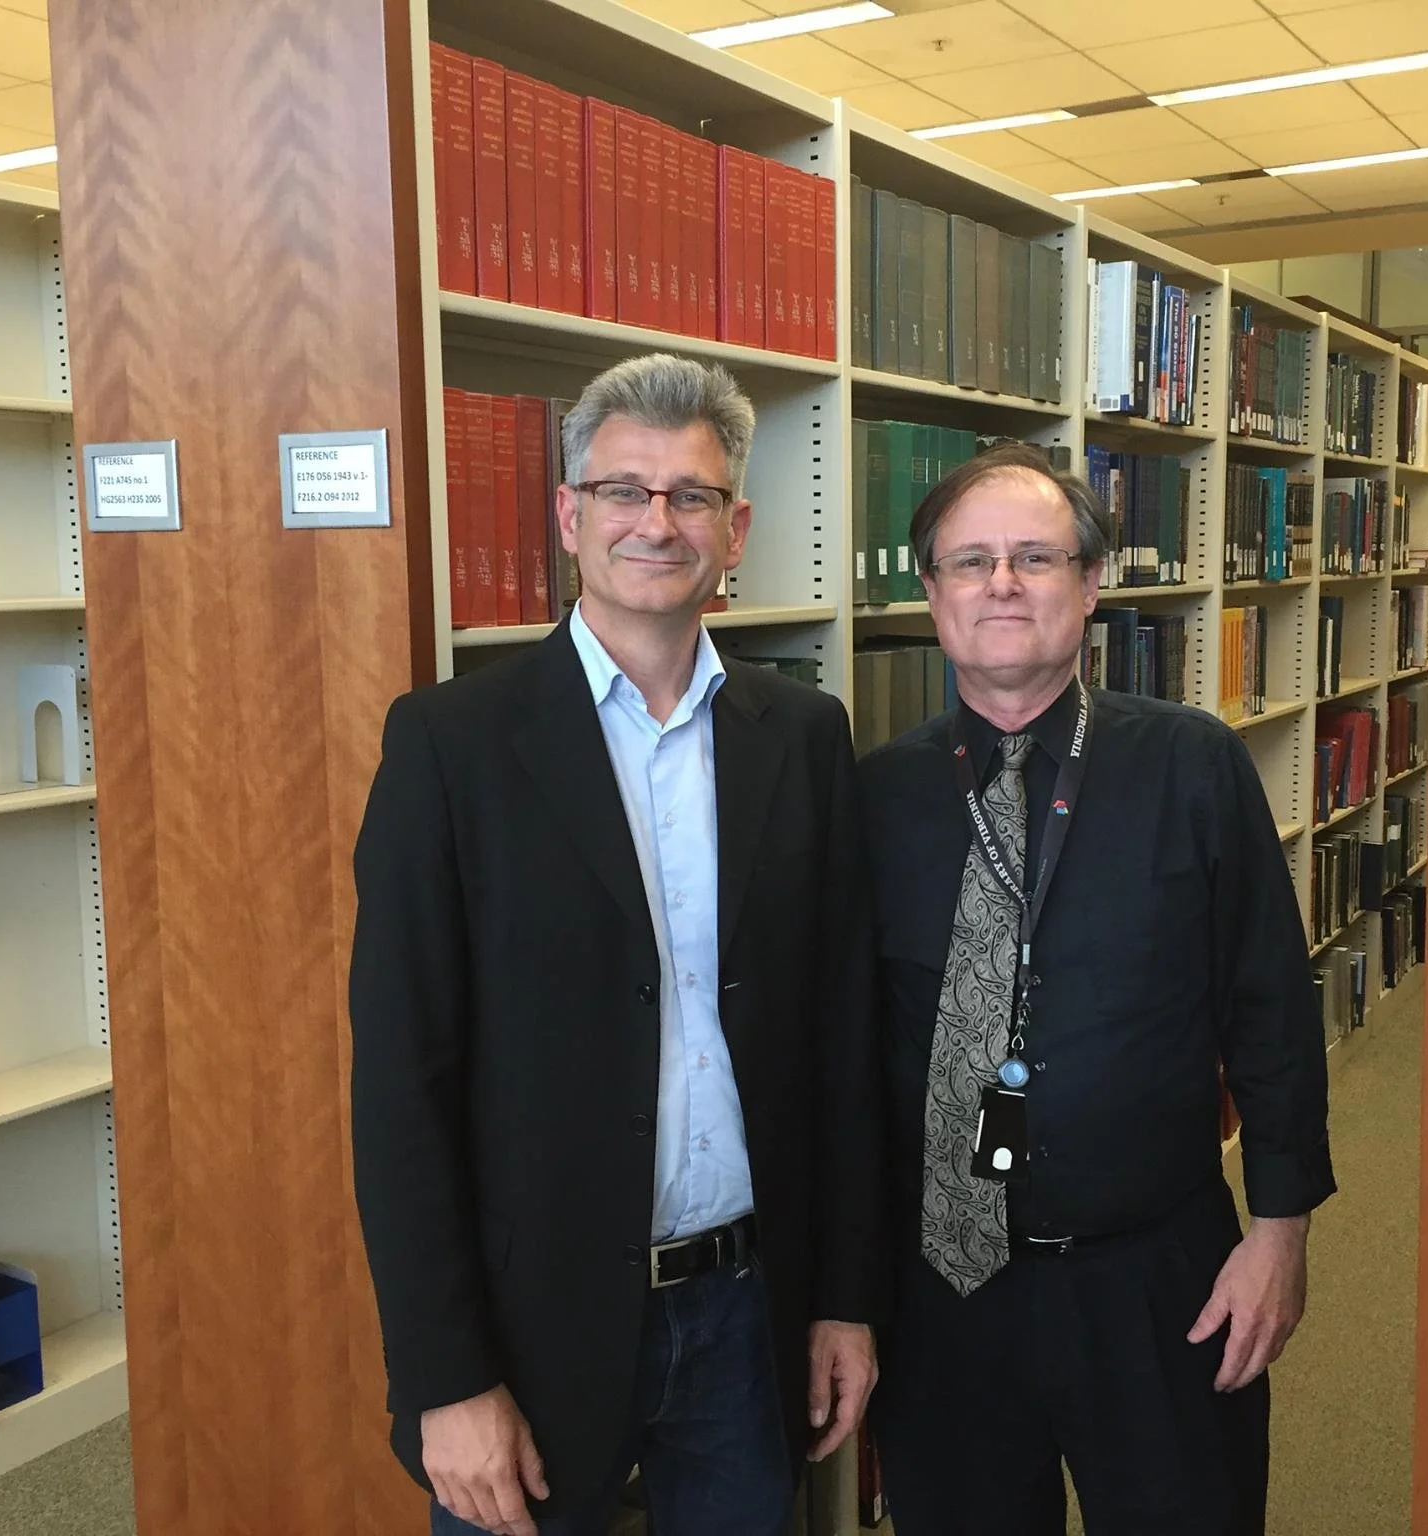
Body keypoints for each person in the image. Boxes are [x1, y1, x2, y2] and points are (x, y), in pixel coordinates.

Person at [349, 353, 885, 1536]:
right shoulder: (452, 747)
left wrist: (843, 1300)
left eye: (690, 496)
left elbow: (840, 1046)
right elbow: (401, 1091)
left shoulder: (798, 738)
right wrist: (444, 1378)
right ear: (568, 516)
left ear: (733, 529)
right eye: (623, 491)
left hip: (749, 1315)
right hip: (532, 1326)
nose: (656, 521)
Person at [859, 443, 1334, 1536]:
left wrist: (1278, 1234)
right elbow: (844, 1050)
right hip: (946, 1289)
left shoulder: (1194, 767)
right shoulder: (876, 794)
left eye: (1035, 556)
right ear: (929, 589)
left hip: (1156, 1276)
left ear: (1091, 581)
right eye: (969, 560)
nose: (1002, 584)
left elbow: (1268, 1005)